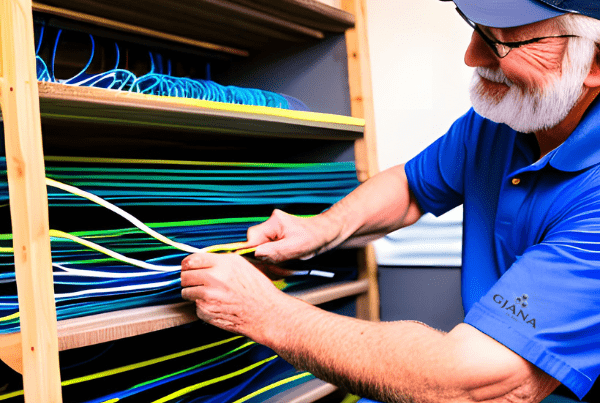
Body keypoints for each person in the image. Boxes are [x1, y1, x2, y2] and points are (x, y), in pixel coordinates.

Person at [180, 0, 600, 401]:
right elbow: (410, 187)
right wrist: (322, 228)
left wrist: (262, 312)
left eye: (502, 40)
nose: (472, 56)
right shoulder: (511, 117)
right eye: (476, 30)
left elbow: (479, 384)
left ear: (595, 63)